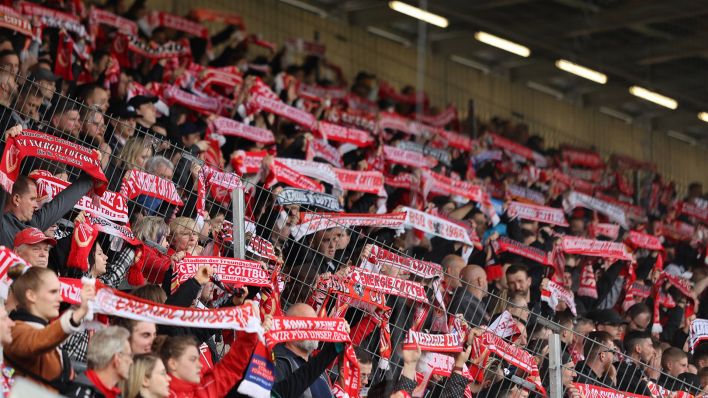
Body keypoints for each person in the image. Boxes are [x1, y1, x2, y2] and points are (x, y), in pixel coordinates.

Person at [3, 267, 96, 393]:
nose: (61, 298)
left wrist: (78, 309)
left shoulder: (40, 329)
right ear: (31, 295)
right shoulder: (14, 330)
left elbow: (49, 336)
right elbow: (39, 340)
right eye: (53, 292)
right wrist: (78, 313)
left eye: (59, 292)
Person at [0, 126, 95, 248]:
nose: (36, 205)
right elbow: (3, 182)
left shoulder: (33, 224)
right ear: (16, 199)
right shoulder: (2, 223)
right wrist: (5, 147)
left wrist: (92, 174)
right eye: (32, 199)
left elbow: (62, 202)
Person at [156, 305, 262, 398]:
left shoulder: (201, 391)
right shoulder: (153, 393)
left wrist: (250, 332)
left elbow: (230, 367)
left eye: (198, 358)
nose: (200, 365)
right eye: (193, 359)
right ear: (173, 363)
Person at [273, 303, 349, 398]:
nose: (314, 329)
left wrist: (338, 341)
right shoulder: (278, 362)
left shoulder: (318, 367)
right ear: (289, 327)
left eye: (316, 323)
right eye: (308, 324)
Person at [66, 326, 132, 398]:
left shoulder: (111, 393)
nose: (131, 362)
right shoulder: (79, 392)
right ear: (117, 358)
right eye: (129, 356)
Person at [615, 331, 654, 395]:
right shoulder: (623, 370)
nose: (653, 351)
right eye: (650, 346)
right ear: (638, 349)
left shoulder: (639, 371)